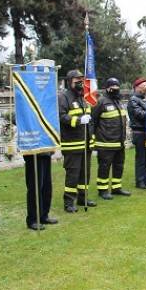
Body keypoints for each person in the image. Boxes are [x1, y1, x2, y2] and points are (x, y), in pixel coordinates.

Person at [58, 69, 96, 212]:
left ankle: (83, 198)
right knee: (72, 175)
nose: (80, 83)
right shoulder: (63, 97)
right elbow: (62, 117)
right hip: (72, 144)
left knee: (85, 174)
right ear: (70, 82)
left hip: (86, 143)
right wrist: (79, 120)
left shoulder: (83, 97)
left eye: (82, 80)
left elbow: (90, 120)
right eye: (77, 81)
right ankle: (68, 202)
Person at [91, 78, 131, 200]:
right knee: (104, 167)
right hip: (105, 142)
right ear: (107, 88)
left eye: (117, 86)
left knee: (119, 165)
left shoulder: (119, 102)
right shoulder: (101, 102)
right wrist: (92, 139)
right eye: (113, 86)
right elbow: (93, 121)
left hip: (119, 142)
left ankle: (116, 188)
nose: (115, 89)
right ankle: (102, 190)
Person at [127, 77, 146, 189]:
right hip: (139, 132)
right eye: (144, 86)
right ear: (137, 87)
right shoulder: (133, 100)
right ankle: (139, 181)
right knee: (141, 158)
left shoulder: (145, 99)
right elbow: (139, 114)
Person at [23, 151, 57, 230]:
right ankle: (32, 220)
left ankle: (44, 216)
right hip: (33, 154)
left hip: (45, 153)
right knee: (35, 187)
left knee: (46, 187)